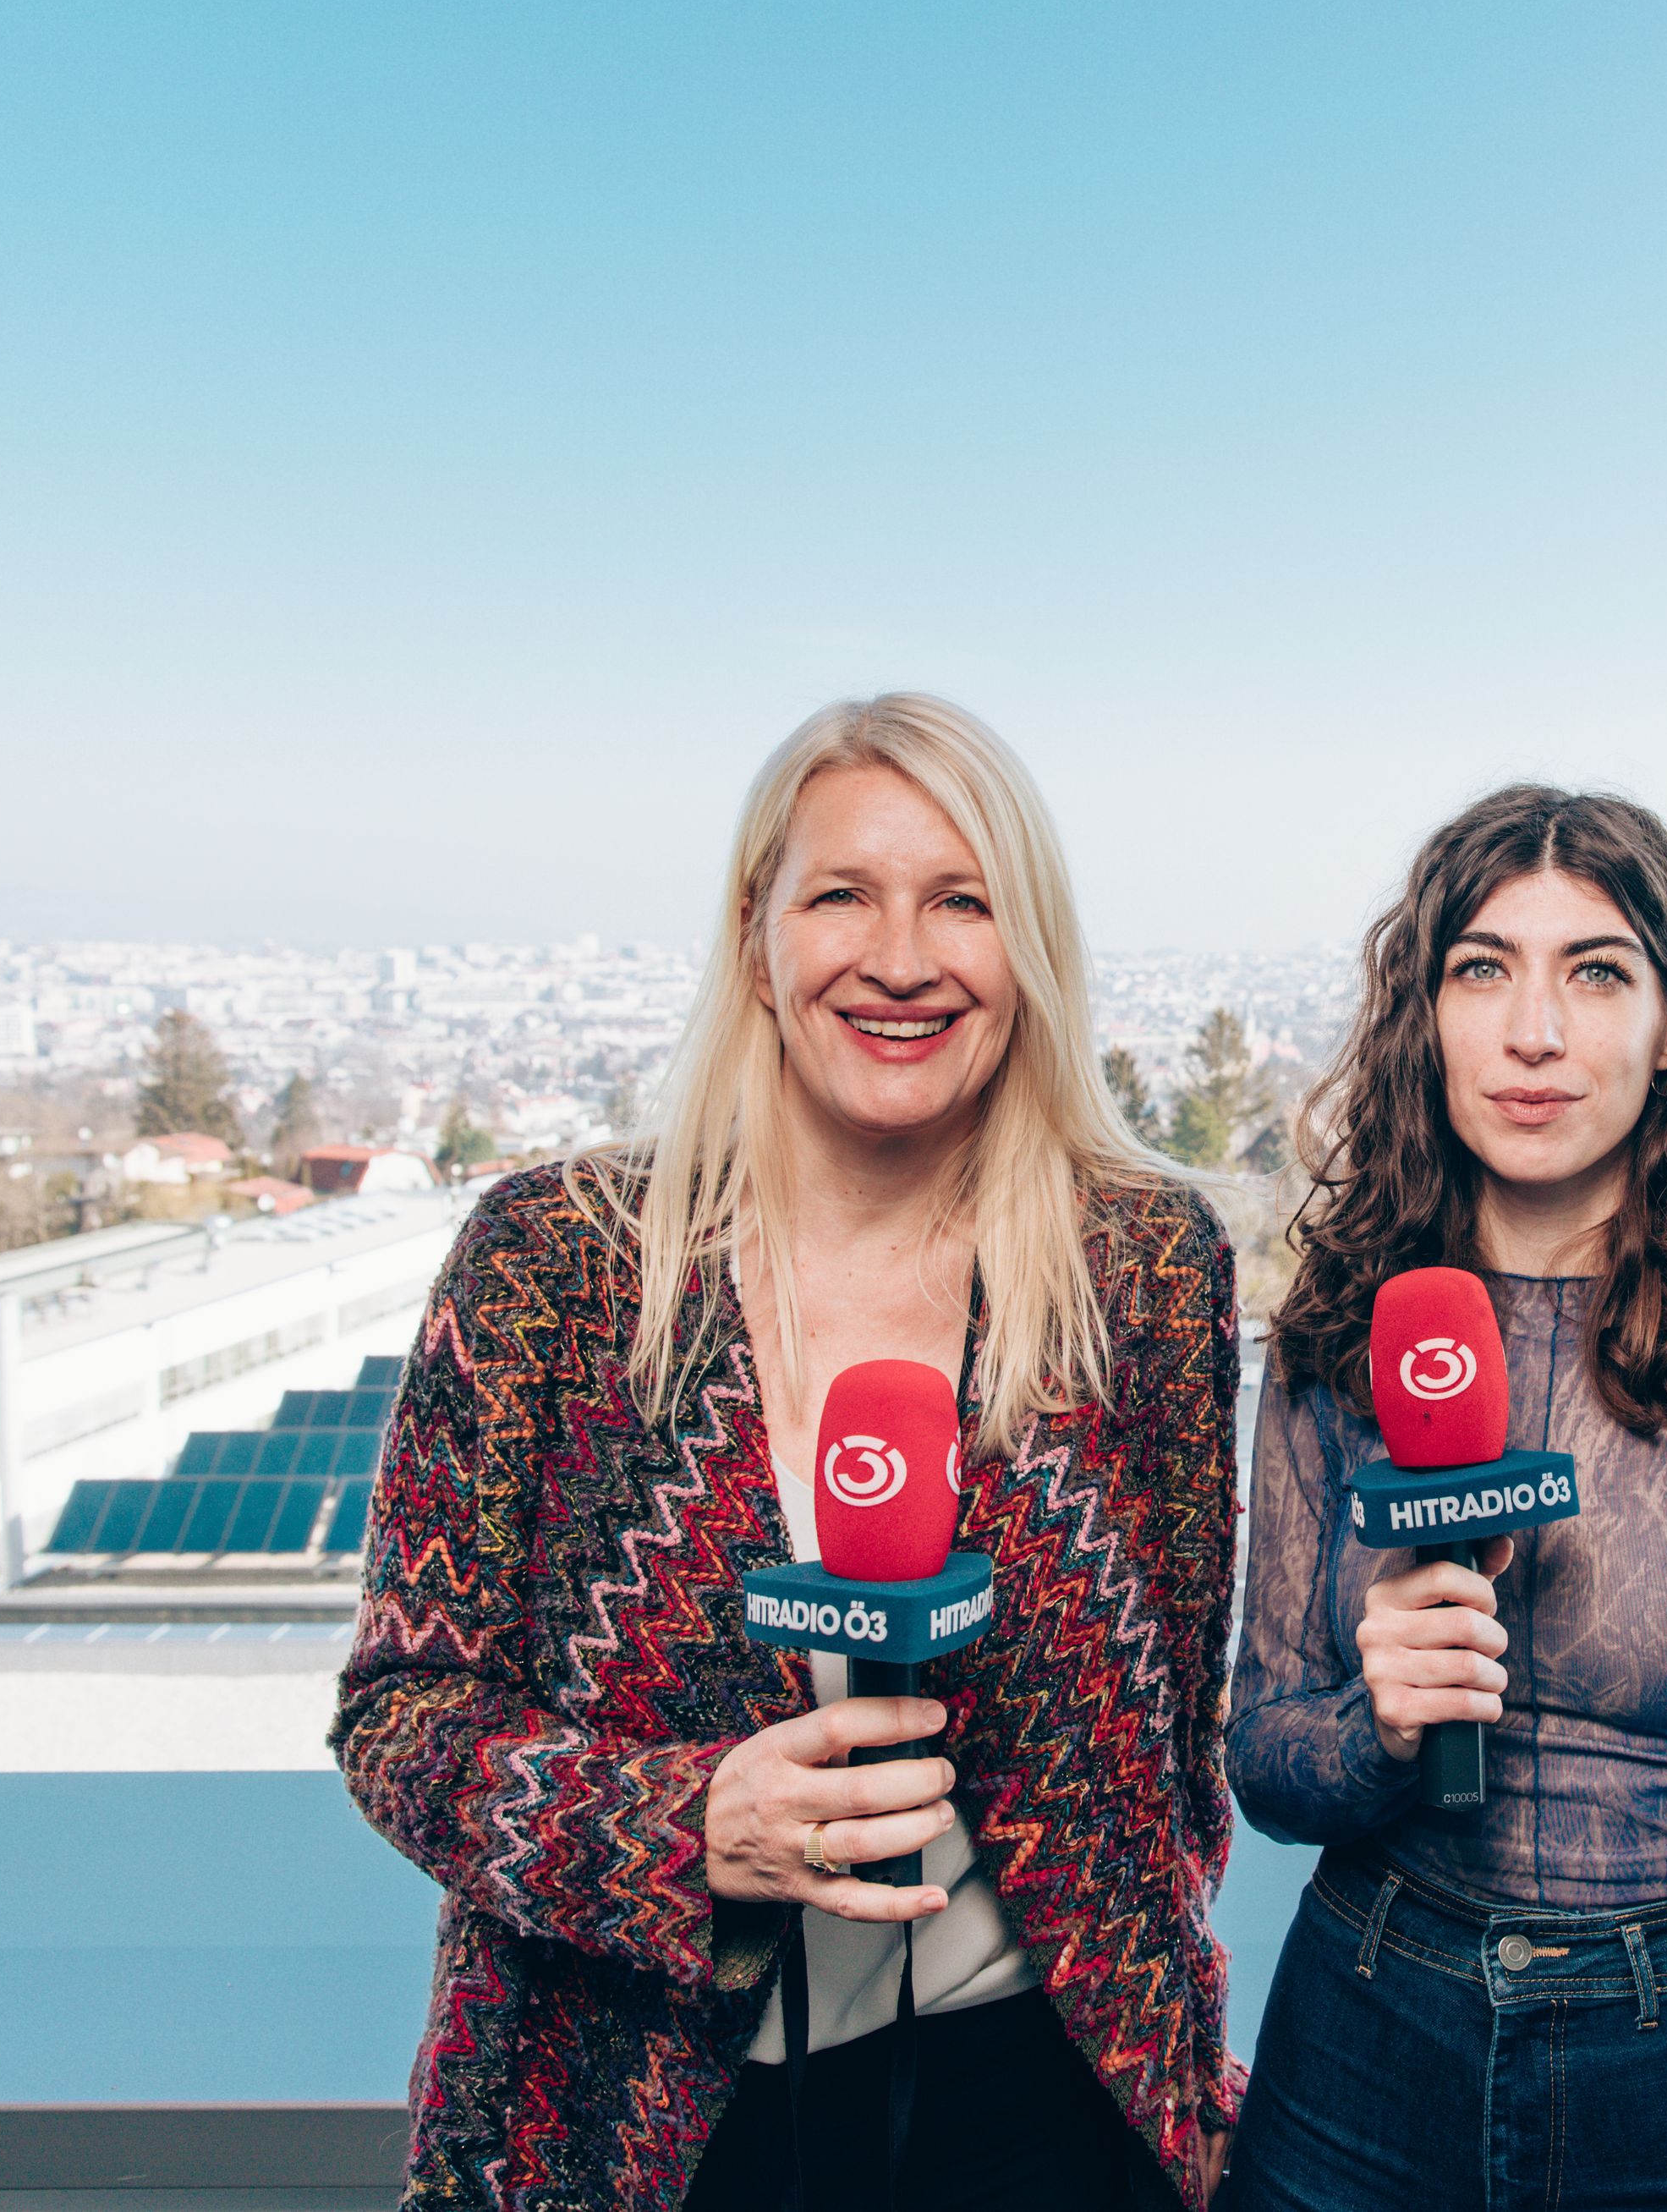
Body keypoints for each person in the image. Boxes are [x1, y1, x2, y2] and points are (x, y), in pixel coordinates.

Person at [334, 694, 1244, 2212]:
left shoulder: (1145, 1267)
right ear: (758, 933)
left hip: (1052, 2103)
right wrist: (680, 1828)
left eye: (963, 900)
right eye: (844, 896)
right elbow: (398, 1717)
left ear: (1030, 948)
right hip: (632, 2115)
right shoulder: (556, 1263)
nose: (902, 958)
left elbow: (1170, 1763)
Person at [1225, 785, 1667, 2211]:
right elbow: (1268, 1763)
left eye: (1595, 972)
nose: (1535, 1032)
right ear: (1429, 1015)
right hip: (1362, 2026)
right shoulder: (1339, 1331)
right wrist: (1379, 1726)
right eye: (1485, 968)